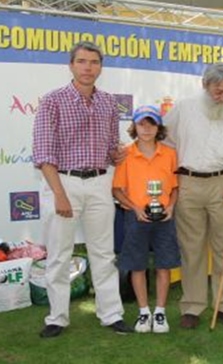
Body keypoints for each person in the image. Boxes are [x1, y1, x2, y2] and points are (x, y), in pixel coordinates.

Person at [32, 41, 132, 338]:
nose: (88, 67)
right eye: (82, 61)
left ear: (100, 67)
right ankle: (57, 318)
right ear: (71, 65)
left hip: (101, 182)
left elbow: (111, 147)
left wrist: (117, 155)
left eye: (94, 62)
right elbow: (43, 154)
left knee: (103, 252)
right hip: (63, 183)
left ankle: (111, 314)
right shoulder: (52, 101)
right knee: (60, 254)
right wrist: (60, 194)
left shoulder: (109, 103)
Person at [164, 63, 223, 329]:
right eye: (219, 92)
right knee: (191, 249)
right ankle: (192, 307)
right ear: (205, 85)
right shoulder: (183, 108)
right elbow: (164, 143)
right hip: (188, 183)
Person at [112, 105, 181, 334]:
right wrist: (135, 208)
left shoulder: (169, 154)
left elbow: (174, 188)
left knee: (163, 264)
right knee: (137, 265)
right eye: (142, 123)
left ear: (158, 127)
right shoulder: (126, 154)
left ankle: (160, 311)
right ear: (134, 127)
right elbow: (118, 190)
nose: (147, 128)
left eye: (151, 123)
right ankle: (144, 312)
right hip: (136, 217)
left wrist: (170, 207)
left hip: (164, 217)